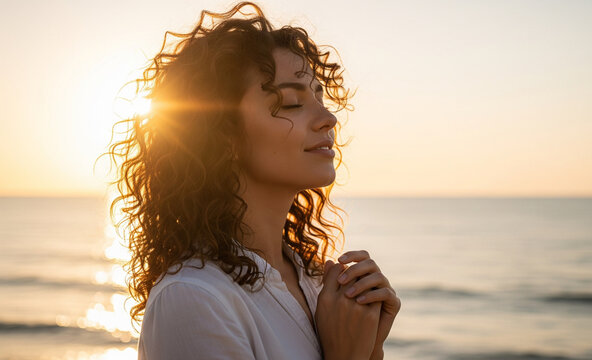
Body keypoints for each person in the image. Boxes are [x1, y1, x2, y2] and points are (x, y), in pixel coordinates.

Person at [102, 1, 400, 359]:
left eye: (320, 97)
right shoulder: (194, 299)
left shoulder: (314, 281)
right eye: (291, 102)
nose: (328, 118)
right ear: (222, 136)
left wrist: (372, 349)